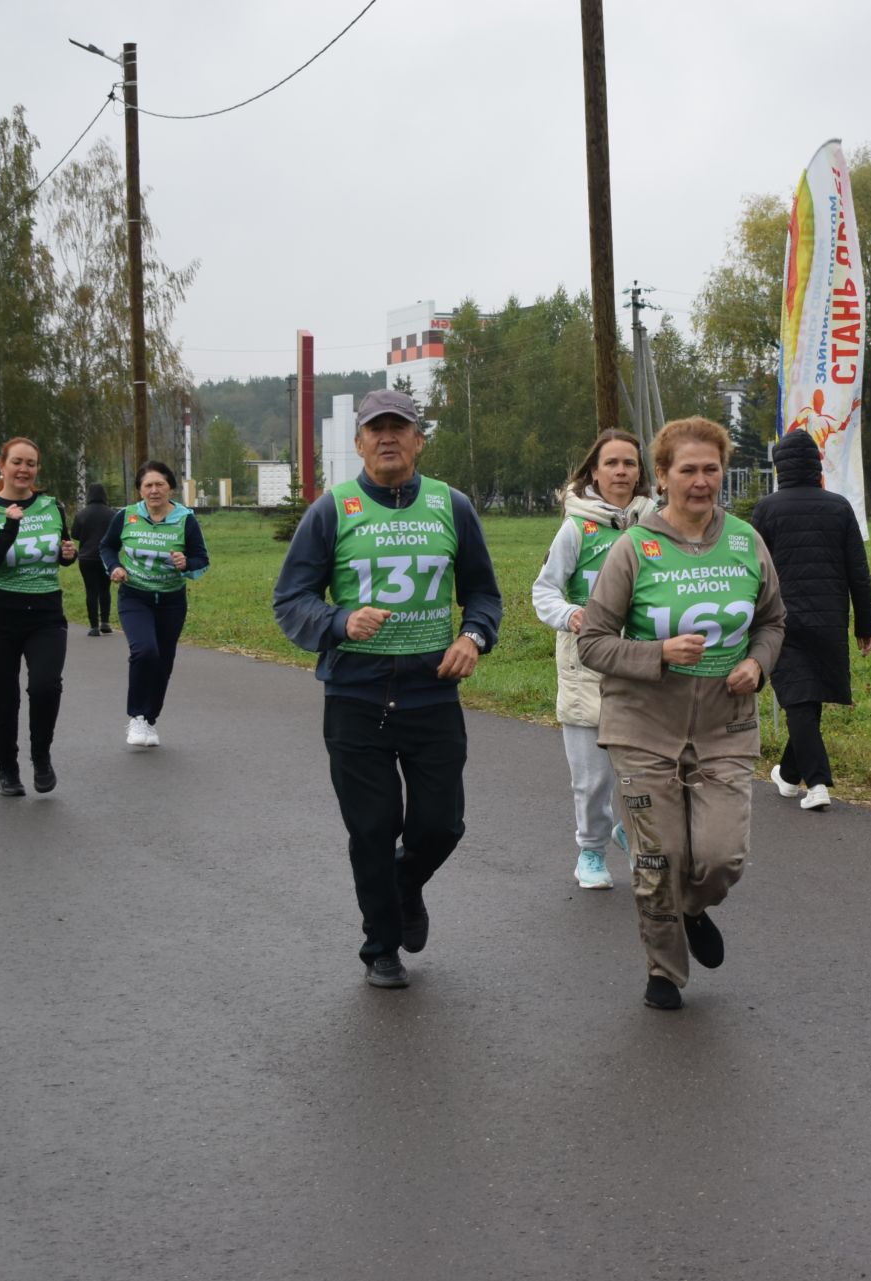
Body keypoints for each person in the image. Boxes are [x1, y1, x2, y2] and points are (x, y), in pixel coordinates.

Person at [272, 387, 502, 990]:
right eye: (376, 429)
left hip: (432, 694)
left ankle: (404, 885)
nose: (388, 438)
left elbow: (482, 592)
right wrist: (338, 622)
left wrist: (473, 638)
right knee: (372, 829)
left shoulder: (451, 507)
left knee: (442, 824)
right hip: (356, 695)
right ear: (359, 444)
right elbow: (290, 599)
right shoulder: (332, 510)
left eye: (399, 427)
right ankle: (381, 946)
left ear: (419, 440)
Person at [577, 416, 786, 1011]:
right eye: (686, 470)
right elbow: (593, 641)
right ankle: (664, 971)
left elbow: (773, 620)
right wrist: (656, 654)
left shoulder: (746, 541)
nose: (700, 481)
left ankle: (693, 908)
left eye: (711, 469)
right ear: (662, 476)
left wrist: (759, 665)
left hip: (726, 722)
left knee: (721, 857)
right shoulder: (635, 548)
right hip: (644, 725)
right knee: (658, 856)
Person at [531, 428, 655, 889]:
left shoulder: (655, 521)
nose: (622, 471)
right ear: (595, 472)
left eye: (630, 463)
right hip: (587, 663)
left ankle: (630, 831)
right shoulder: (576, 527)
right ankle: (591, 852)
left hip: (645, 660)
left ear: (640, 472)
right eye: (612, 463)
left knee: (644, 770)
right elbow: (543, 590)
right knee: (593, 777)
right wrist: (571, 614)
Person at [750, 428, 871, 812]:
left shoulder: (767, 509)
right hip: (829, 620)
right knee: (807, 699)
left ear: (780, 468)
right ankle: (789, 777)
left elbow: (752, 570)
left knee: (801, 701)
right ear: (816, 465)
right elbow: (859, 571)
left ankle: (818, 783)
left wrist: (744, 622)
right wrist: (864, 626)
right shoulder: (839, 508)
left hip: (780, 622)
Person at [0, 437, 78, 797]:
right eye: (17, 462)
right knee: (4, 699)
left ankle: (41, 755)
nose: (24, 469)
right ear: (2, 466)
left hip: (45, 613)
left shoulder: (51, 507)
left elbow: (60, 550)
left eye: (31, 463)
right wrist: (10, 527)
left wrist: (67, 554)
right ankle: (8, 768)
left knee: (45, 686)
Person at [100, 462, 209, 746]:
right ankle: (136, 717)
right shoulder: (126, 516)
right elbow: (107, 546)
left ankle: (149, 720)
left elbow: (202, 561)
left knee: (163, 662)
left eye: (159, 484)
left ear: (170, 487)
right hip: (135, 595)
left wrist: (186, 564)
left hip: (171, 601)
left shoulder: (186, 520)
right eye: (148, 485)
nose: (154, 490)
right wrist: (114, 567)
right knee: (145, 651)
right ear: (140, 490)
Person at [70, 483, 117, 636]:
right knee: (105, 589)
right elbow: (117, 535)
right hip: (105, 557)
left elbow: (75, 535)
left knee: (91, 591)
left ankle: (93, 626)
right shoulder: (111, 514)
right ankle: (105, 622)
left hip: (86, 557)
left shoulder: (82, 514)